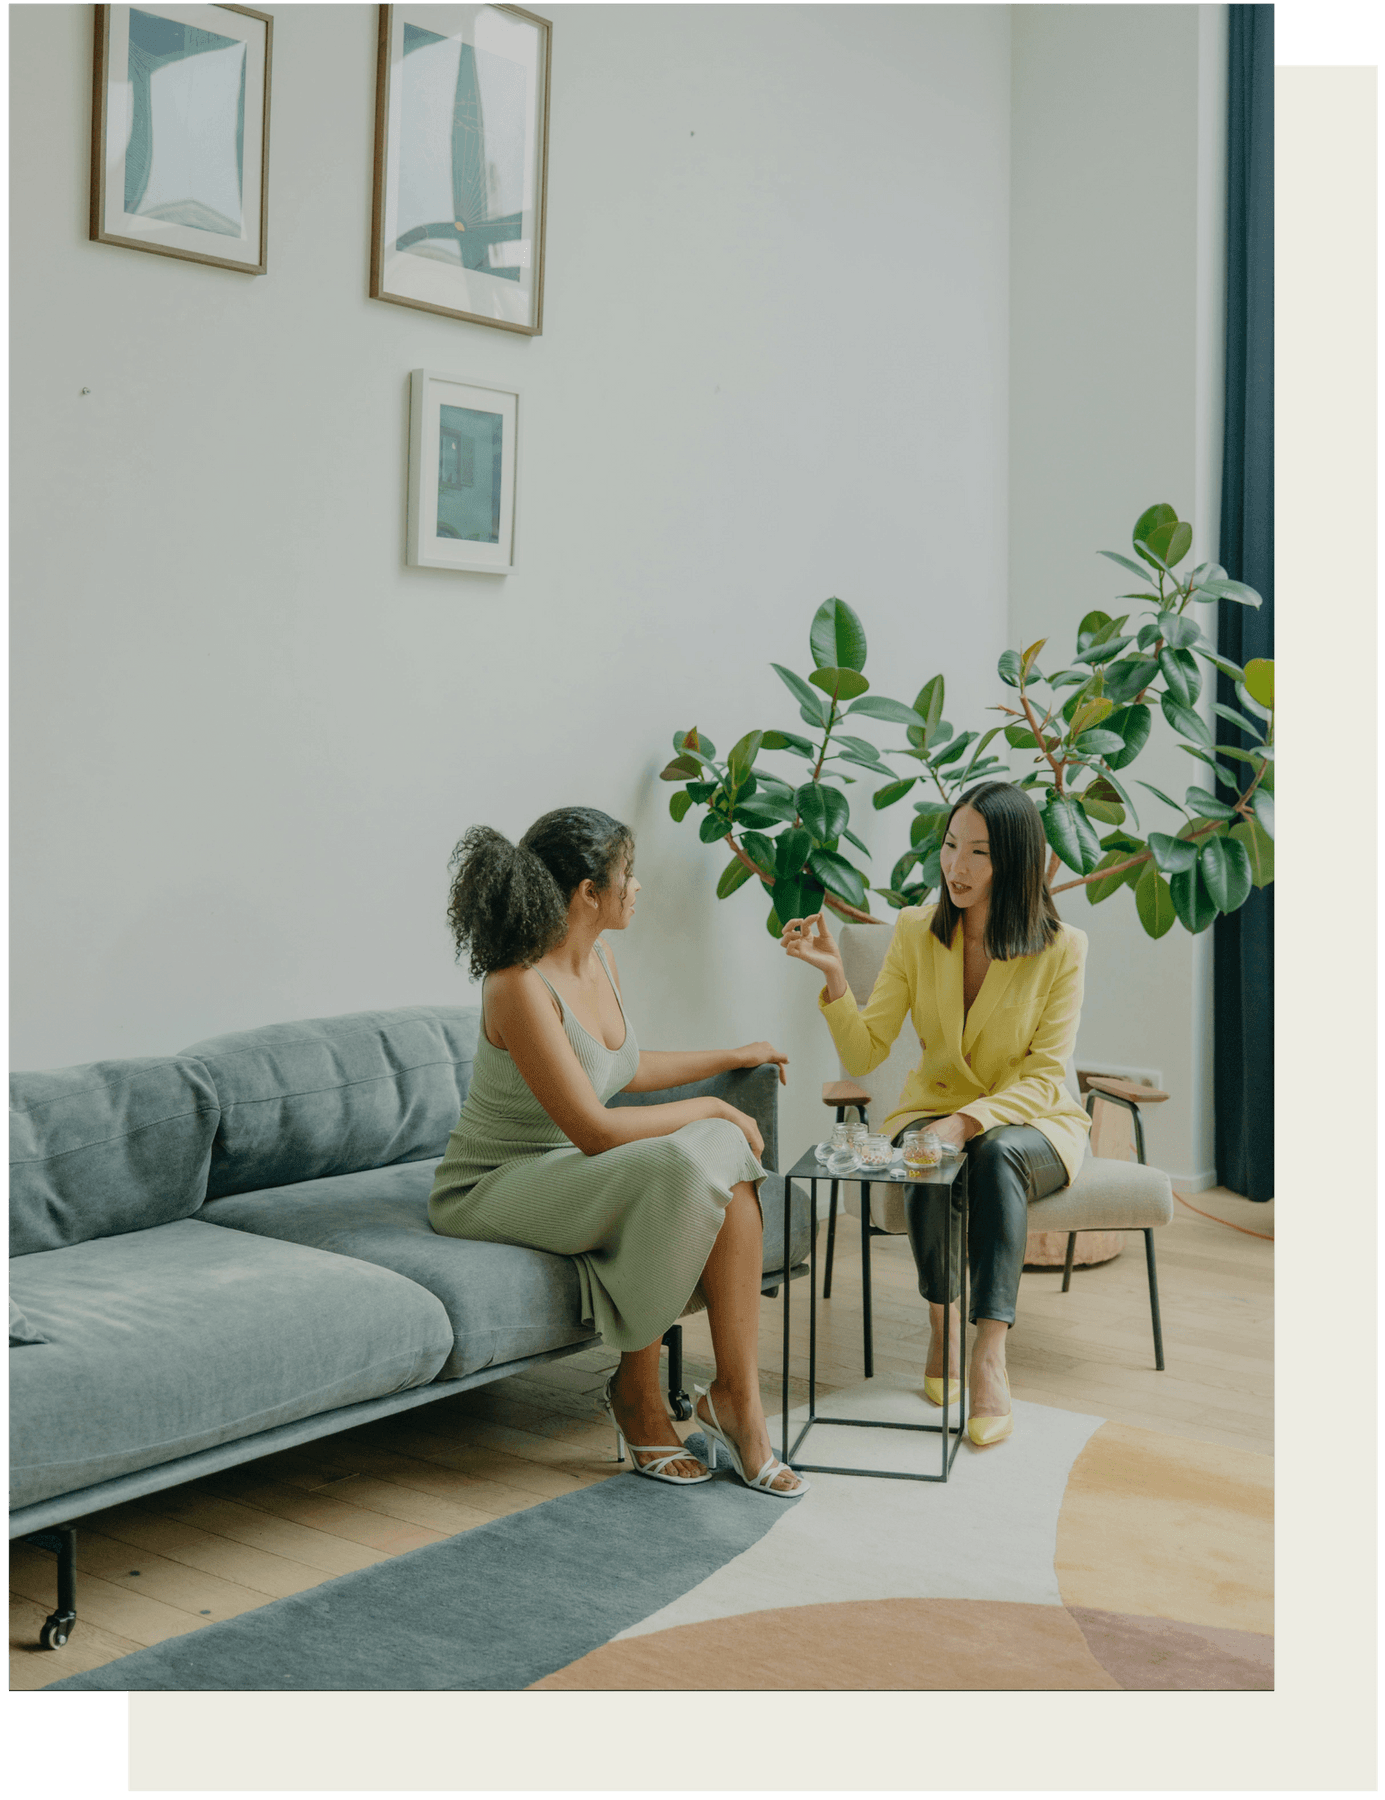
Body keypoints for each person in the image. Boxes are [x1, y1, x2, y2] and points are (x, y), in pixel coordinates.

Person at [429, 806, 807, 1496]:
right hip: (492, 1184)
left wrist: (731, 1054)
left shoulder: (599, 961)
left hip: (569, 1171)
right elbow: (594, 1130)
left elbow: (620, 1071)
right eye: (627, 875)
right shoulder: (516, 985)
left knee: (715, 1162)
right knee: (693, 1154)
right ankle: (636, 1392)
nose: (637, 889)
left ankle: (738, 1401)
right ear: (587, 893)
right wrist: (717, 1104)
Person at [780, 780, 1091, 1447]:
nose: (956, 866)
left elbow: (1043, 1073)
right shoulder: (915, 931)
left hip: (1034, 1122)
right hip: (934, 1110)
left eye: (978, 853)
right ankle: (940, 1323)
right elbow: (865, 1052)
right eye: (951, 846)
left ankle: (987, 1354)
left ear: (1014, 863)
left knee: (989, 1148)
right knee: (926, 1145)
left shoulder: (1062, 948)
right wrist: (835, 978)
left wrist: (970, 1121)